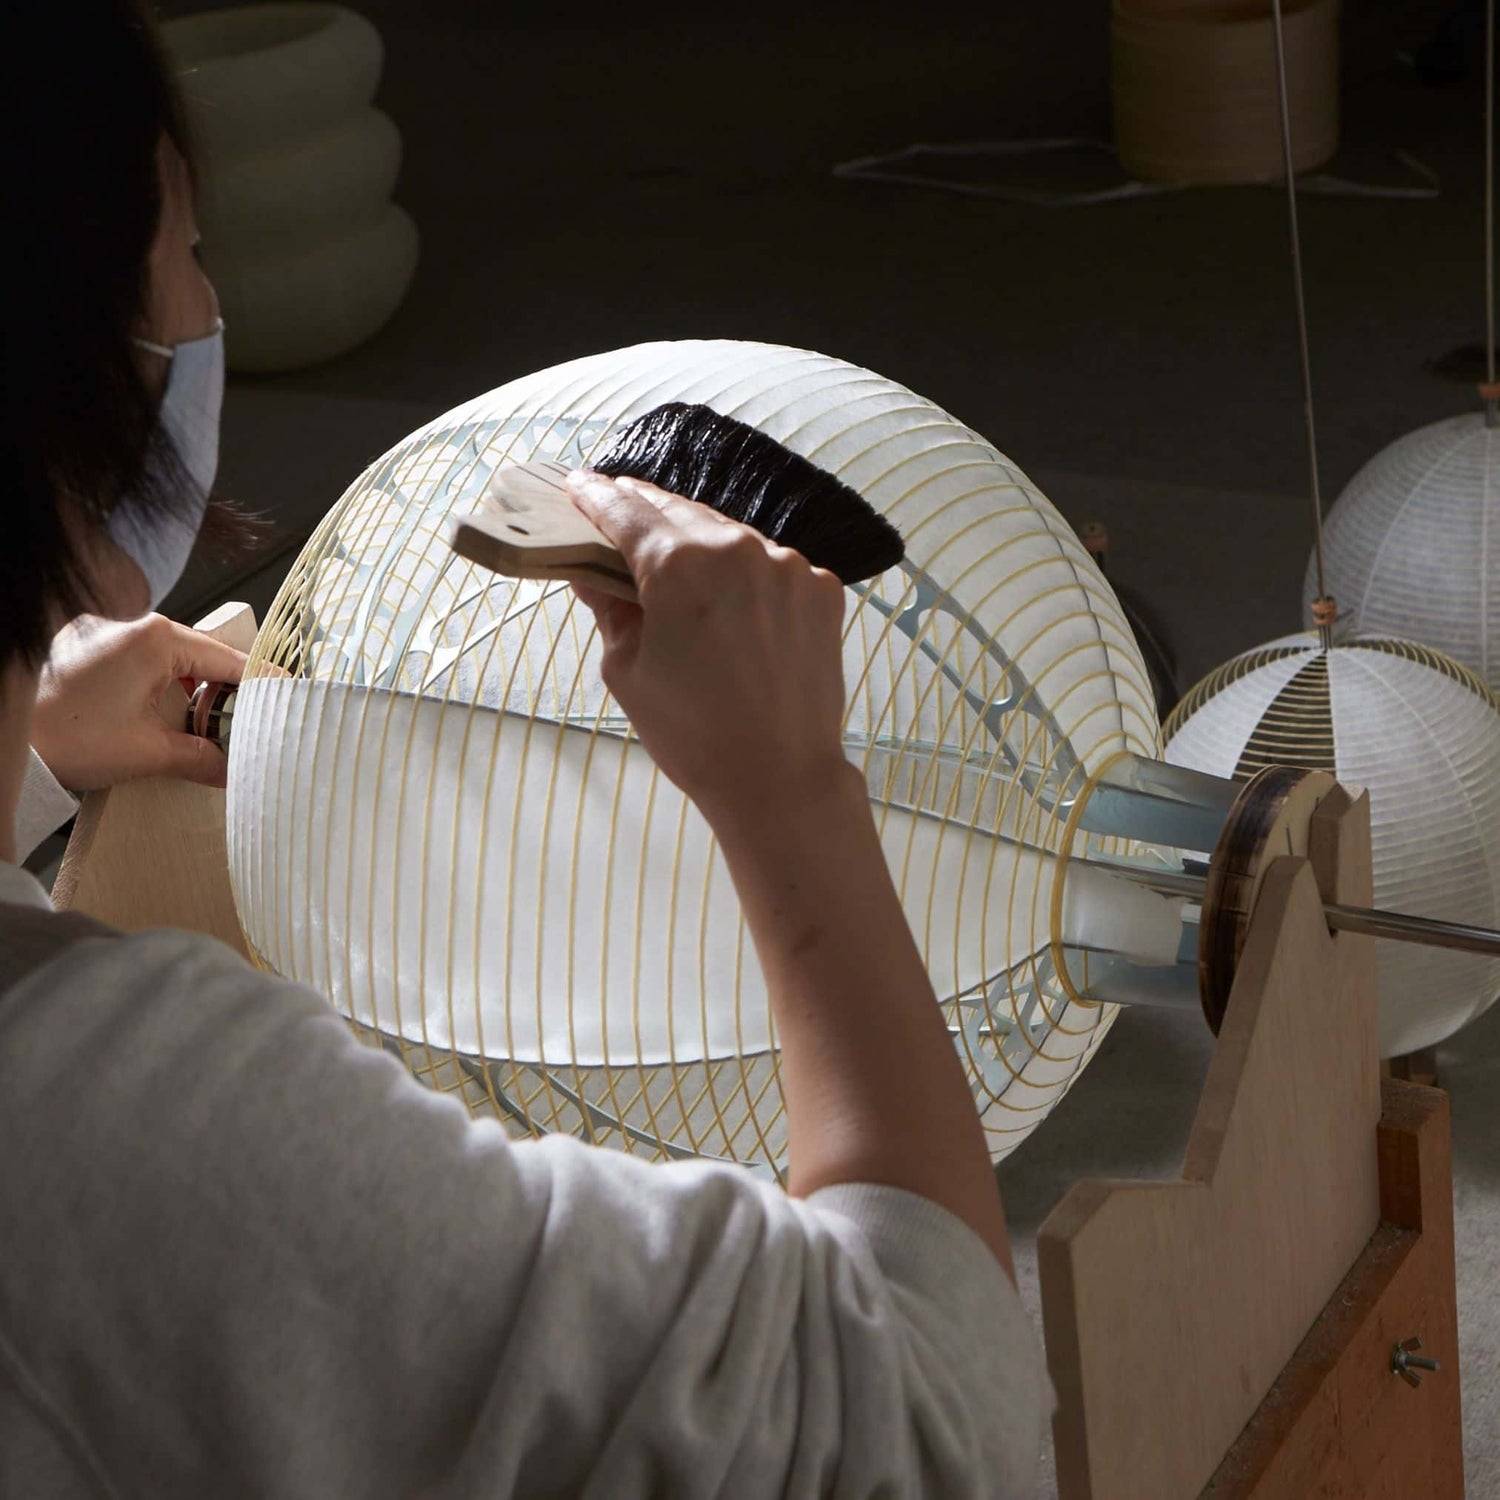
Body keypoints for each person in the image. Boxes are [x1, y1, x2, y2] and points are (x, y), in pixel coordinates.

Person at [0, 3, 1050, 1495]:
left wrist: (28, 759)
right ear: (70, 373)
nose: (199, 302)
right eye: (184, 251)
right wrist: (791, 797)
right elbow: (928, 1422)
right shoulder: (130, 1124)